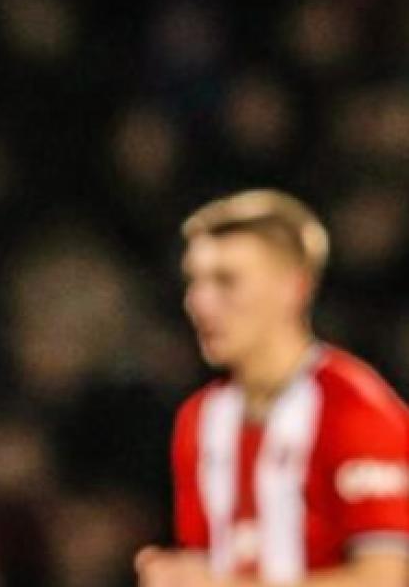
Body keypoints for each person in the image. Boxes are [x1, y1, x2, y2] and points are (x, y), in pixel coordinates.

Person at [136, 190, 409, 587]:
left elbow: (387, 579)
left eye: (226, 281)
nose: (200, 302)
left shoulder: (355, 408)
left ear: (293, 287)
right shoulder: (198, 419)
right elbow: (208, 565)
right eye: (194, 281)